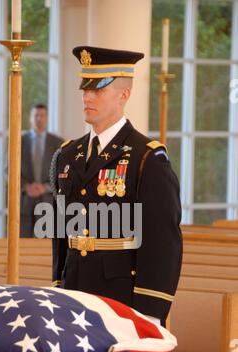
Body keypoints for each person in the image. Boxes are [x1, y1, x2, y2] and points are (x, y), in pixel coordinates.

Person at [50, 46, 183, 326]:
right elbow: (63, 229)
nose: (87, 96)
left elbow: (161, 243)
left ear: (124, 95)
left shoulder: (145, 157)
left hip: (121, 300)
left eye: (97, 89)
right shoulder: (67, 154)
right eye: (85, 88)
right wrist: (58, 282)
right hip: (72, 294)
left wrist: (149, 313)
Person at [20, 104, 64, 237]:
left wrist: (45, 187)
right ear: (30, 118)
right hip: (24, 201)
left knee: (46, 245)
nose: (39, 119)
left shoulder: (58, 143)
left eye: (42, 115)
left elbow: (63, 172)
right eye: (36, 115)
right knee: (22, 244)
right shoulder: (19, 141)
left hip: (48, 201)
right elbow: (8, 170)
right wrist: (26, 186)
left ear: (47, 118)